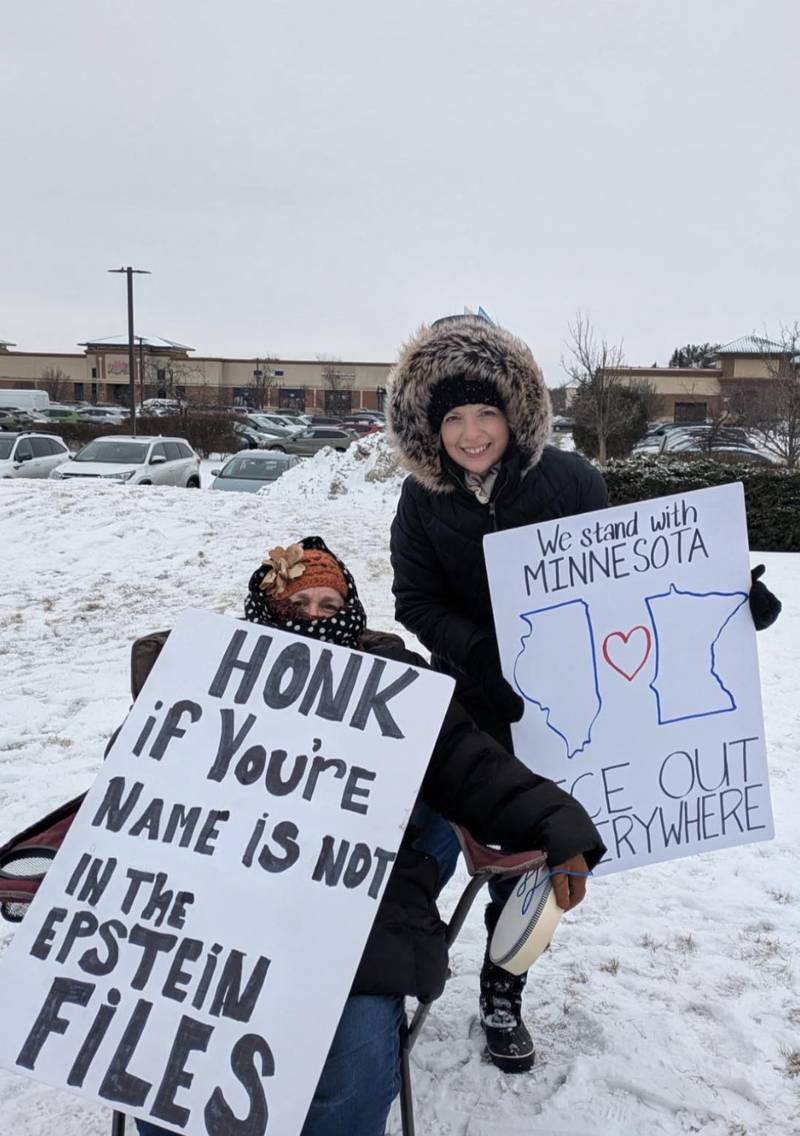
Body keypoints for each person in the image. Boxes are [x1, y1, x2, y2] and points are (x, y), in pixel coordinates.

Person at [386, 312, 783, 1072]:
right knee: (422, 852)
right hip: (470, 707)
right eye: (453, 419)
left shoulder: (571, 482)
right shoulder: (420, 500)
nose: (471, 434)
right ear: (429, 428)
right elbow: (415, 600)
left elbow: (625, 584)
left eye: (485, 413)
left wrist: (734, 605)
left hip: (564, 708)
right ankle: (392, 977)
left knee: (531, 856)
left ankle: (503, 988)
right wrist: (482, 654)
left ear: (516, 411)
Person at [134, 536, 605, 1136]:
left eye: (329, 605)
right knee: (166, 1066)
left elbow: (470, 764)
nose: (313, 617)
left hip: (359, 903)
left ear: (351, 611)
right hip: (219, 893)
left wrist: (557, 822)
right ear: (264, 609)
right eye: (295, 604)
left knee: (349, 1076)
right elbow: (140, 768)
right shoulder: (214, 673)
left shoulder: (396, 682)